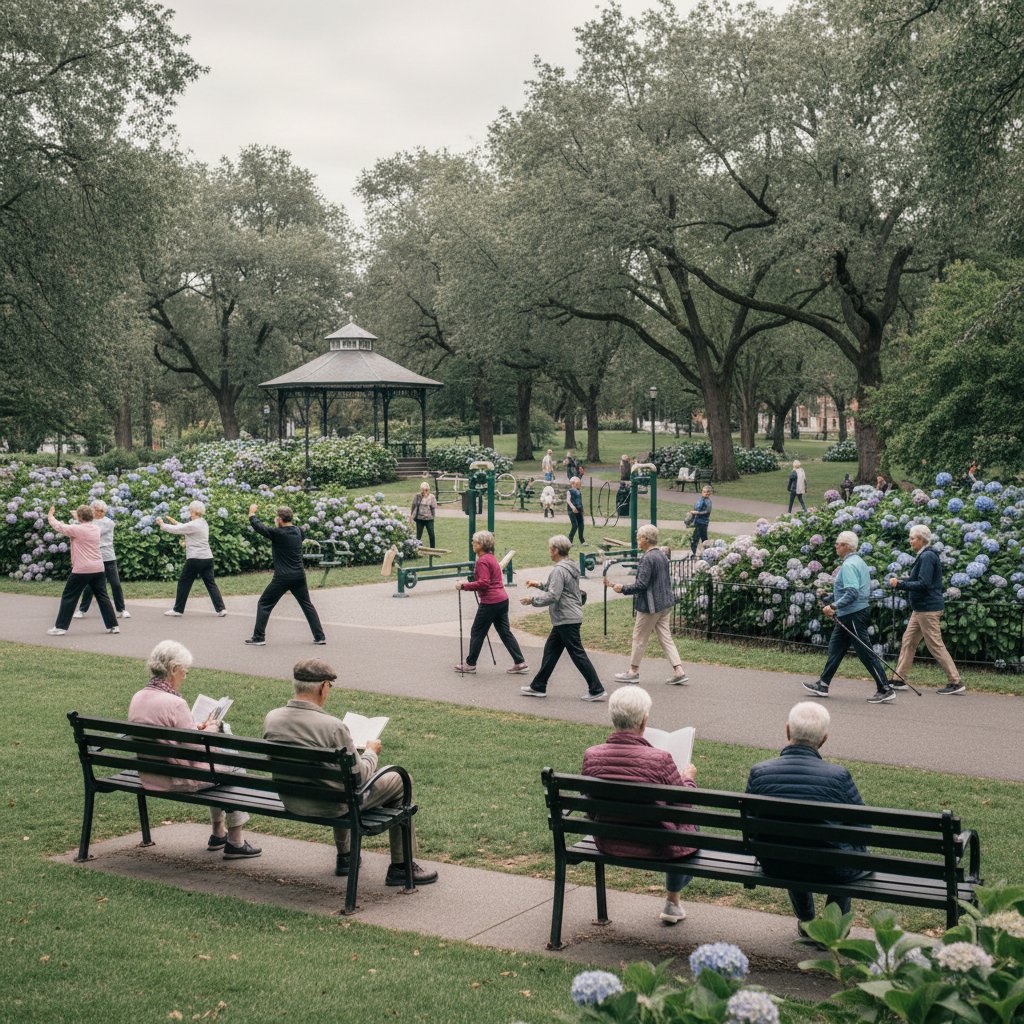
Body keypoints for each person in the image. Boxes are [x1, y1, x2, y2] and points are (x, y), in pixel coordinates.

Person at [262, 658, 438, 883]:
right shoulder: (333, 727)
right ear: (324, 686)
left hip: (292, 799)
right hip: (333, 805)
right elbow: (361, 778)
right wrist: (371, 752)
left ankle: (346, 857)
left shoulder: (272, 718)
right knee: (401, 780)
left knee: (338, 781)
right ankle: (401, 866)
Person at [128, 640, 261, 859]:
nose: (185, 676)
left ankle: (218, 832)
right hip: (177, 778)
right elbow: (199, 748)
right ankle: (235, 840)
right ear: (173, 670)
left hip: (150, 774)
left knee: (218, 765)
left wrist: (196, 728)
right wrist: (211, 727)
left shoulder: (139, 696)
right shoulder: (175, 703)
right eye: (184, 671)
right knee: (234, 766)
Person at [745, 702, 868, 936]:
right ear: (824, 739)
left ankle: (806, 919)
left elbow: (750, 823)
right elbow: (862, 828)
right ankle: (834, 928)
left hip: (777, 864)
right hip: (831, 869)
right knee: (850, 853)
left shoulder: (760, 773)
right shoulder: (838, 777)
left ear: (788, 731)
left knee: (789, 845)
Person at [582, 686, 697, 925]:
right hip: (656, 845)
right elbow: (684, 801)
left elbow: (590, 806)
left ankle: (673, 903)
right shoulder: (661, 758)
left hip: (609, 841)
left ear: (613, 718)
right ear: (644, 721)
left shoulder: (592, 755)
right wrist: (688, 778)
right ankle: (672, 901)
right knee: (686, 824)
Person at [804, 531, 895, 703]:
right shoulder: (858, 561)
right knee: (835, 648)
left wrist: (833, 606)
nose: (836, 546)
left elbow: (852, 592)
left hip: (853, 614)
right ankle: (823, 684)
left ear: (846, 546)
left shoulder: (848, 565)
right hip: (849, 613)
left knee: (865, 652)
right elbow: (852, 590)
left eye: (838, 543)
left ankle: (885, 688)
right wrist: (830, 597)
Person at [519, 535, 605, 701]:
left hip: (566, 617)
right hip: (568, 616)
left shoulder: (559, 570)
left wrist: (532, 600)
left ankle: (596, 689)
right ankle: (538, 686)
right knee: (551, 651)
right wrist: (538, 584)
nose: (549, 552)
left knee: (577, 654)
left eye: (550, 549)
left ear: (556, 550)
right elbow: (560, 589)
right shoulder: (570, 566)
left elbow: (554, 595)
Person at [606, 524, 688, 685]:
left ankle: (633, 671)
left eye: (639, 538)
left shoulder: (647, 558)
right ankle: (679, 671)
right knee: (666, 638)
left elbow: (641, 585)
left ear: (645, 539)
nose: (637, 541)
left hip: (651, 606)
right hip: (665, 603)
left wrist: (622, 588)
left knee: (639, 637)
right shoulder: (662, 555)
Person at [889, 524, 964, 695]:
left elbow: (924, 584)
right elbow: (918, 579)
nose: (910, 541)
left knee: (935, 645)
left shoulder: (928, 556)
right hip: (920, 609)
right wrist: (900, 580)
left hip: (927, 609)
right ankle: (899, 679)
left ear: (922, 539)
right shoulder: (924, 556)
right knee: (908, 641)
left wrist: (900, 584)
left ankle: (955, 682)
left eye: (912, 538)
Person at [245, 504, 325, 646]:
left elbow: (259, 527)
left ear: (280, 519)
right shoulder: (299, 531)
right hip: (299, 576)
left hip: (282, 577)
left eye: (277, 518)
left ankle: (259, 637)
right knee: (307, 605)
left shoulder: (277, 533)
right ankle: (319, 636)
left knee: (264, 604)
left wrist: (252, 513)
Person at [453, 530, 528, 675]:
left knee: (477, 632)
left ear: (481, 545)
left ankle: (470, 663)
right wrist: (470, 583)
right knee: (505, 632)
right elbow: (487, 579)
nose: (472, 543)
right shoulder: (491, 557)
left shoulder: (482, 561)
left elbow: (484, 583)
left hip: (490, 602)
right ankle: (520, 662)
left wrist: (463, 586)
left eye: (474, 541)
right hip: (502, 600)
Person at [45, 504, 119, 636]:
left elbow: (59, 526)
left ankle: (60, 627)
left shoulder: (76, 529)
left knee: (69, 596)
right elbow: (82, 524)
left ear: (79, 517)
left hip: (82, 569)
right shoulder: (96, 528)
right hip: (98, 568)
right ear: (92, 516)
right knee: (103, 596)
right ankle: (113, 626)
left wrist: (50, 516)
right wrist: (79, 517)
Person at [157, 500, 227, 617]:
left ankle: (178, 610)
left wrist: (162, 524)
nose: (189, 512)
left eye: (190, 510)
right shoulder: (203, 522)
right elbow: (185, 527)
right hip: (207, 558)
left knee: (184, 582)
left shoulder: (194, 524)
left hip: (195, 558)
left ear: (194, 511)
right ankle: (221, 609)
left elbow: (179, 530)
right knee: (210, 583)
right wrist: (174, 521)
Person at [75, 499, 129, 620]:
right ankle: (82, 610)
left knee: (115, 584)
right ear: (93, 510)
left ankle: (121, 610)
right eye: (97, 510)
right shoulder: (89, 523)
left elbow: (96, 532)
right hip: (94, 557)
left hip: (108, 557)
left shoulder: (109, 522)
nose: (100, 513)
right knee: (90, 586)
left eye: (102, 511)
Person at [410, 481, 437, 549]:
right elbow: (413, 505)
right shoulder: (417, 496)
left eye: (426, 489)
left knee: (431, 534)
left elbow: (433, 507)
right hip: (419, 519)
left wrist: (433, 516)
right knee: (418, 536)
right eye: (423, 489)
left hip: (429, 519)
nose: (424, 491)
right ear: (421, 489)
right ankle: (417, 549)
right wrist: (411, 515)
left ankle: (433, 549)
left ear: (428, 489)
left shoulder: (432, 497)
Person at [689, 485, 712, 556]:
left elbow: (707, 511)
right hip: (698, 521)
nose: (706, 493)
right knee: (700, 538)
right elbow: (696, 507)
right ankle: (696, 552)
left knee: (699, 538)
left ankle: (705, 553)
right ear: (702, 492)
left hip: (702, 522)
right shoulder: (700, 500)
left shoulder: (708, 502)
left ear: (710, 493)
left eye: (708, 492)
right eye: (704, 491)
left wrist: (697, 513)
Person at [566, 475, 586, 545]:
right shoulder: (569, 491)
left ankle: (582, 541)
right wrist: (572, 507)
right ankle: (569, 541)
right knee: (575, 525)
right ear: (573, 484)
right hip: (572, 510)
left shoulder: (579, 492)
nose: (579, 485)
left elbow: (580, 501)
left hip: (579, 510)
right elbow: (568, 500)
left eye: (579, 484)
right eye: (577, 484)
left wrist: (582, 510)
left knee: (581, 525)